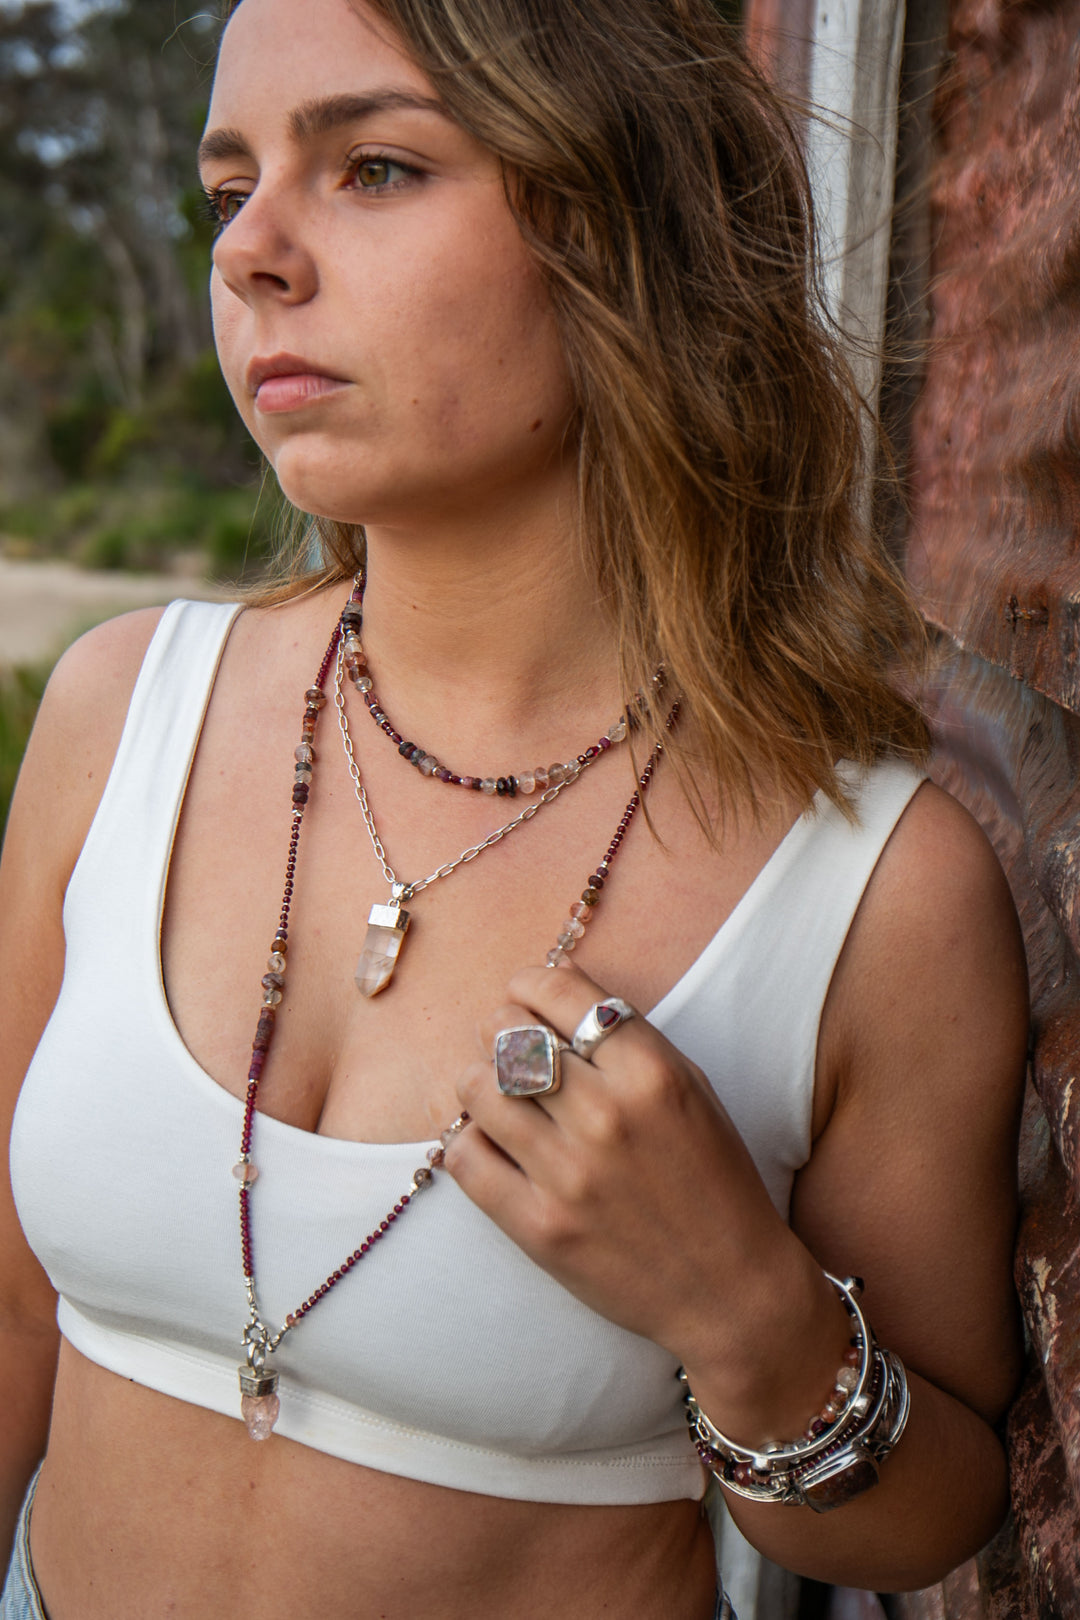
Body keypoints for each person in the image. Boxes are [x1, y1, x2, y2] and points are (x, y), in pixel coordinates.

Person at [0, 0, 1029, 1616]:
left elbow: (929, 1521)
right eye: (227, 188)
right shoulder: (123, 713)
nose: (251, 251)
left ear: (627, 235)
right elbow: (7, 1316)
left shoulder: (873, 887)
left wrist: (752, 1322)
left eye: (376, 168)